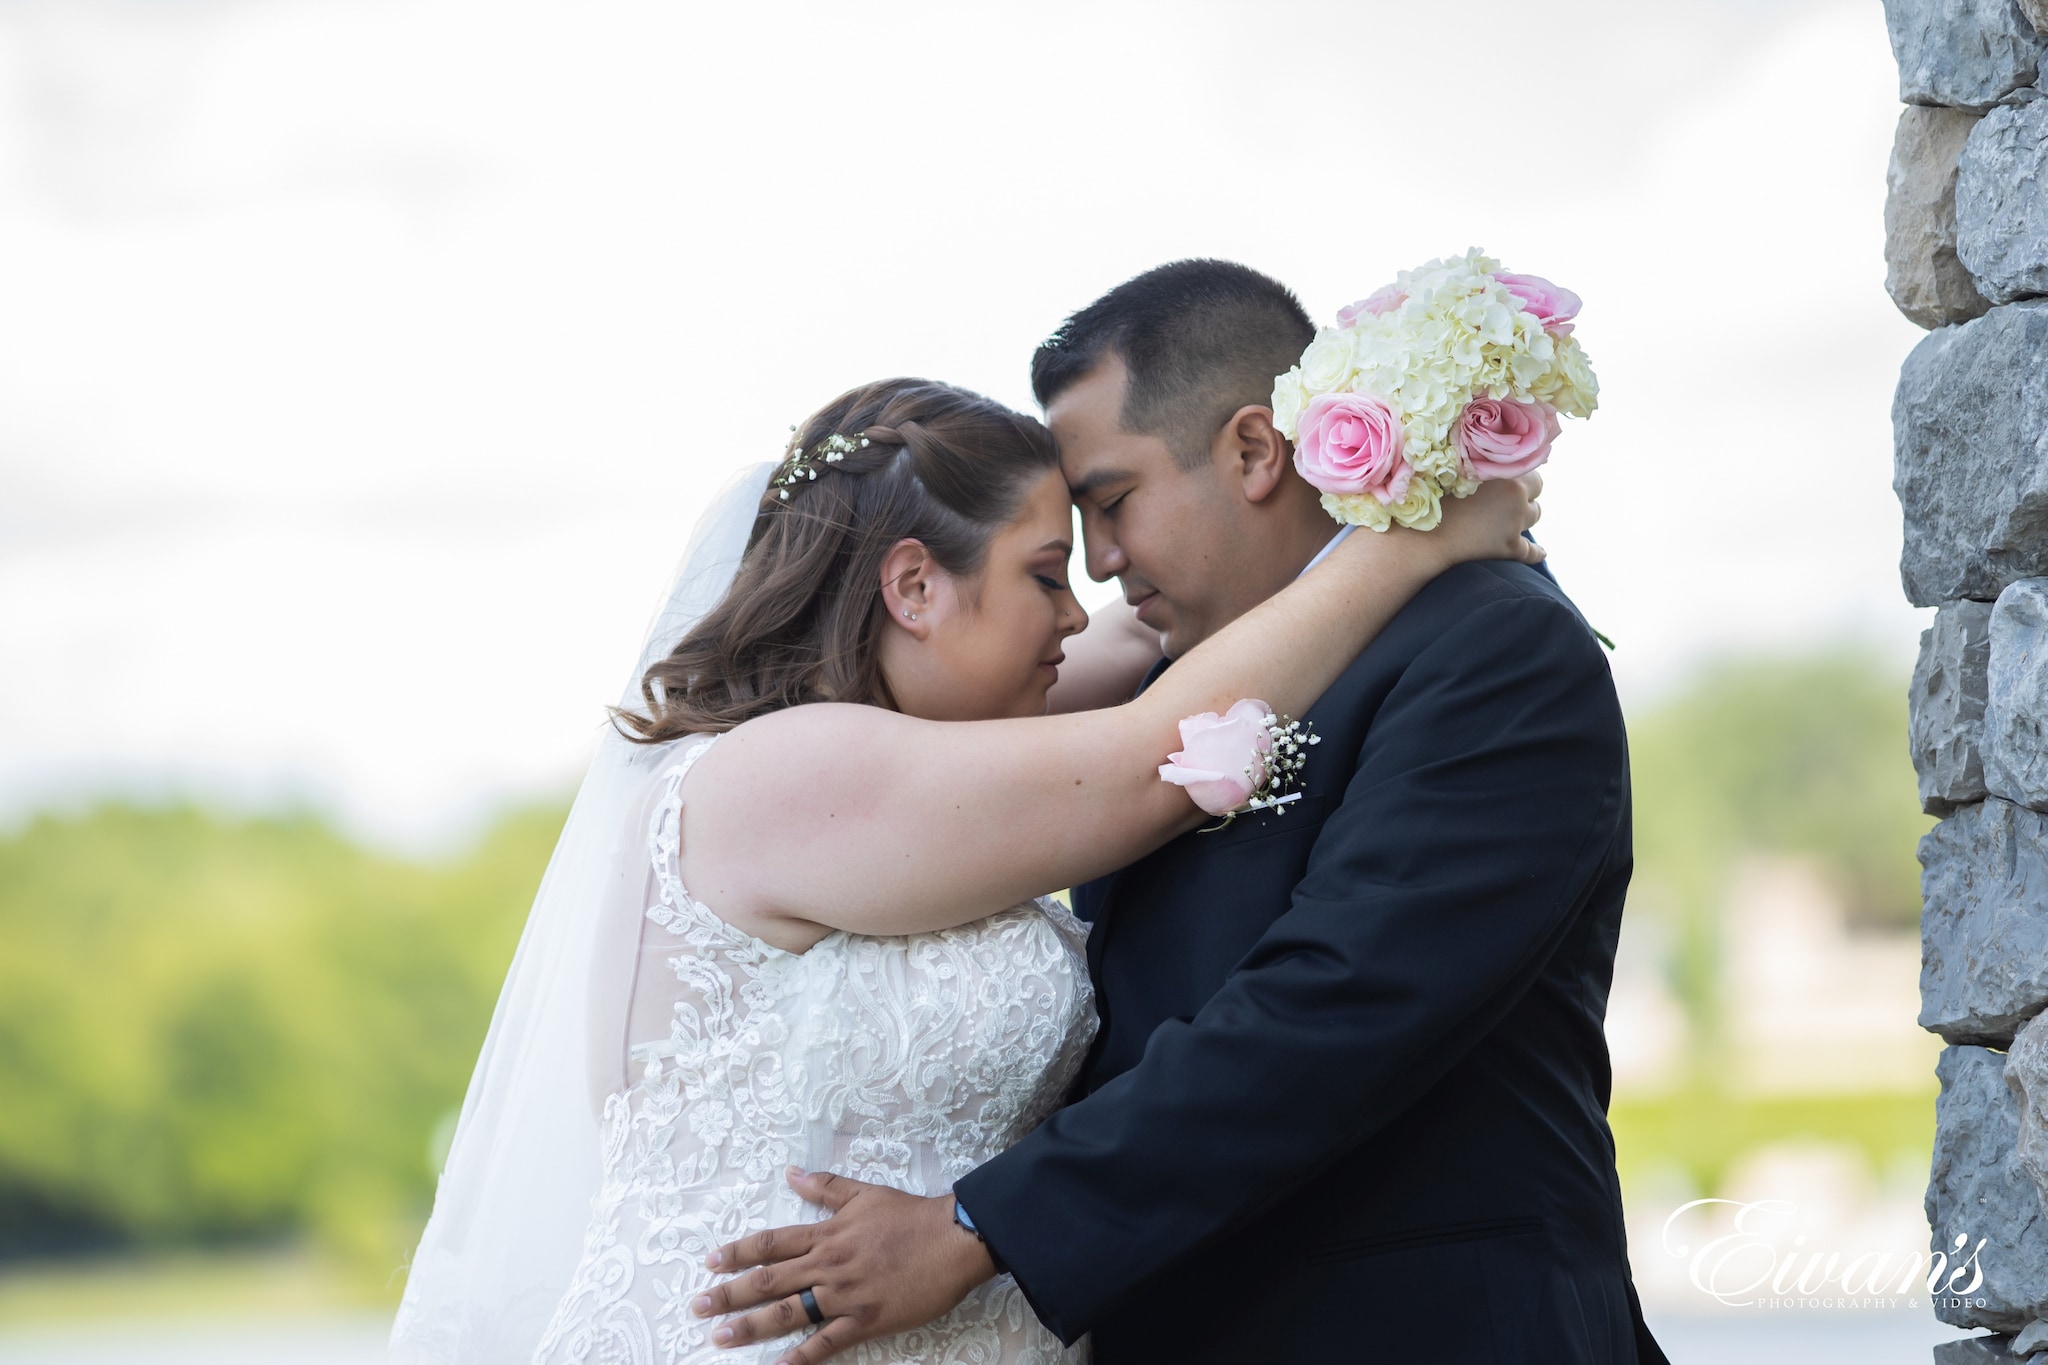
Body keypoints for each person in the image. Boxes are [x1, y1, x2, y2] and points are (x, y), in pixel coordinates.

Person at [387, 373, 1543, 1364]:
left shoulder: (921, 752)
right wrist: (1416, 543)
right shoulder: (778, 772)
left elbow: (1170, 628)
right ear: (912, 587)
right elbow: (1152, 753)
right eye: (1046, 575)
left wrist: (1367, 484)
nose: (1077, 611)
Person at [693, 263, 1668, 1365]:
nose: (1101, 568)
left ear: (1254, 450)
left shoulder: (1490, 645)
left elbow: (1341, 1003)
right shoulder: (1167, 691)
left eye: (1110, 504)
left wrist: (980, 1226)